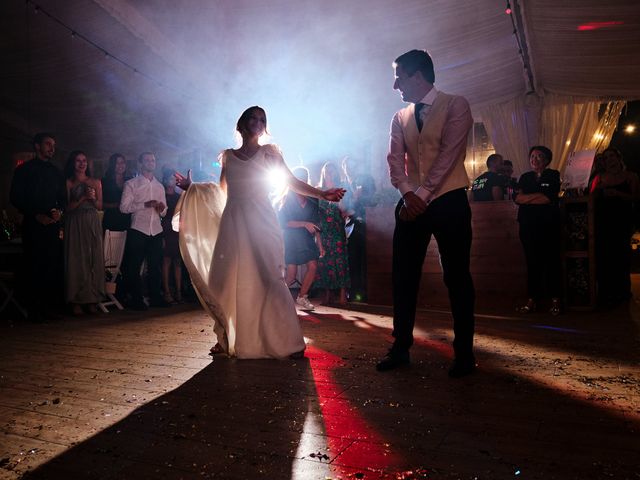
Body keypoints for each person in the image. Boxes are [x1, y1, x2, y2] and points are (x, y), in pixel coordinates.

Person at [174, 106, 344, 359]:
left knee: (269, 277)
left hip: (262, 221)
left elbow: (289, 181)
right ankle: (227, 336)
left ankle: (287, 341)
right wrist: (193, 188)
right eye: (252, 118)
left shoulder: (269, 153)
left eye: (261, 119)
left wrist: (321, 194)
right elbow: (221, 192)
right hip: (233, 222)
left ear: (265, 128)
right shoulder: (228, 157)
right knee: (224, 280)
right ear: (241, 124)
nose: (257, 122)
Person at [377, 49, 476, 378]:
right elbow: (394, 162)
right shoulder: (399, 117)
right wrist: (407, 192)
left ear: (417, 75)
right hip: (410, 202)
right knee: (403, 276)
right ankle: (401, 346)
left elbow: (449, 155)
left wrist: (421, 194)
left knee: (457, 276)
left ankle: (464, 354)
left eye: (398, 76)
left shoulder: (456, 104)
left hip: (448, 200)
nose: (395, 85)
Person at [9, 132, 66, 322]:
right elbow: (15, 197)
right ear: (37, 146)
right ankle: (32, 310)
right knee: (34, 265)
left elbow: (62, 199)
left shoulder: (56, 172)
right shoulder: (24, 170)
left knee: (51, 266)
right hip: (33, 225)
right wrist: (36, 214)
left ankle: (48, 307)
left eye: (53, 145)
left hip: (51, 225)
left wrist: (59, 212)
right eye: (48, 144)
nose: (52, 148)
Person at [514, 146, 562, 316]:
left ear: (547, 160)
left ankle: (555, 300)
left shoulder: (553, 174)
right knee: (532, 263)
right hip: (527, 226)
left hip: (548, 225)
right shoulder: (525, 177)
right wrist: (536, 196)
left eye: (539, 156)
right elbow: (517, 198)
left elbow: (549, 197)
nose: (535, 159)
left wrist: (528, 198)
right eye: (532, 156)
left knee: (552, 262)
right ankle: (532, 300)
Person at [590, 147, 639, 305]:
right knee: (604, 256)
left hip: (622, 220)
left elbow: (636, 198)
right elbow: (589, 196)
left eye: (612, 156)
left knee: (621, 255)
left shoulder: (630, 176)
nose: (609, 159)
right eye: (606, 157)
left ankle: (623, 292)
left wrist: (618, 194)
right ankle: (605, 292)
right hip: (603, 221)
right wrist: (598, 188)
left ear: (618, 158)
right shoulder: (600, 177)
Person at [120, 152, 167, 310]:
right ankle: (136, 300)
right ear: (140, 163)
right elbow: (124, 208)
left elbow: (165, 211)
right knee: (134, 266)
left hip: (156, 229)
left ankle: (155, 298)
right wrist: (145, 205)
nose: (151, 162)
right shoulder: (131, 184)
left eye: (153, 160)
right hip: (138, 229)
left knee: (155, 267)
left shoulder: (159, 186)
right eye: (147, 160)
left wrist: (161, 209)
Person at [63, 151, 105, 315]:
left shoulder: (95, 182)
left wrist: (93, 199)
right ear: (73, 163)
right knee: (76, 260)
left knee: (92, 258)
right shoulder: (68, 182)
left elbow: (100, 206)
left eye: (84, 161)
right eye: (78, 161)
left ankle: (92, 299)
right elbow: (67, 208)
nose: (82, 164)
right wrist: (82, 198)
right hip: (74, 222)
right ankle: (76, 300)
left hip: (91, 221)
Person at [278, 166, 323, 311]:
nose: (301, 182)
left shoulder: (312, 200)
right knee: (291, 275)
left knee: (313, 266)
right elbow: (284, 223)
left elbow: (315, 225)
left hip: (307, 239)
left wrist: (320, 246)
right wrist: (304, 224)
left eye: (304, 180)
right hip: (291, 239)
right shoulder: (286, 199)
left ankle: (302, 296)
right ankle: (275, 298)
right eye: (299, 180)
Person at [341, 157, 377, 302]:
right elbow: (343, 206)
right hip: (350, 228)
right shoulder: (343, 185)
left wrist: (356, 203)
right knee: (353, 261)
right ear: (344, 168)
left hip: (368, 225)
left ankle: (369, 292)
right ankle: (355, 293)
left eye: (353, 166)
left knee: (367, 260)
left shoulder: (366, 180)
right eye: (348, 167)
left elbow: (373, 199)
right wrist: (352, 203)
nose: (350, 169)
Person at [315, 162, 350, 305]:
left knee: (340, 261)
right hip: (323, 230)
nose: (330, 173)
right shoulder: (318, 190)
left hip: (337, 229)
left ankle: (342, 294)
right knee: (324, 262)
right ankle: (327, 293)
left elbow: (346, 210)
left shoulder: (341, 189)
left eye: (333, 171)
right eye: (328, 171)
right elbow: (314, 212)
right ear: (323, 173)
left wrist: (340, 202)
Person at [161, 168, 183, 304]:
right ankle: (167, 291)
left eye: (174, 178)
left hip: (177, 229)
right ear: (164, 179)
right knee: (166, 260)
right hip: (165, 228)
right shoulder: (161, 194)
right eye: (170, 177)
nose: (172, 180)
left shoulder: (178, 196)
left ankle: (179, 292)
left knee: (178, 261)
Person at [101, 153, 131, 232]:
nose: (120, 165)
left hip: (128, 219)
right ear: (112, 165)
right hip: (111, 219)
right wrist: (114, 205)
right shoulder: (104, 181)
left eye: (122, 162)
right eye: (117, 163)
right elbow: (99, 204)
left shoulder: (130, 180)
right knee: (110, 244)